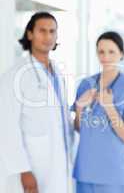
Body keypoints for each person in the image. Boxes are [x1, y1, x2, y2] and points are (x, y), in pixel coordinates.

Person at [0, 12, 74, 193]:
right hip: (32, 166)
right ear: (30, 34)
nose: (48, 36)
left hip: (59, 161)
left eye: (52, 31)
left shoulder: (57, 72)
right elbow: (6, 126)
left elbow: (60, 121)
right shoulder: (15, 75)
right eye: (42, 31)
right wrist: (22, 169)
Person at [72, 31, 124, 193]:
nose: (106, 57)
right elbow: (79, 128)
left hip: (113, 174)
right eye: (101, 52)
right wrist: (79, 107)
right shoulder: (85, 84)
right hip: (85, 171)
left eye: (112, 52)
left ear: (121, 54)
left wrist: (109, 107)